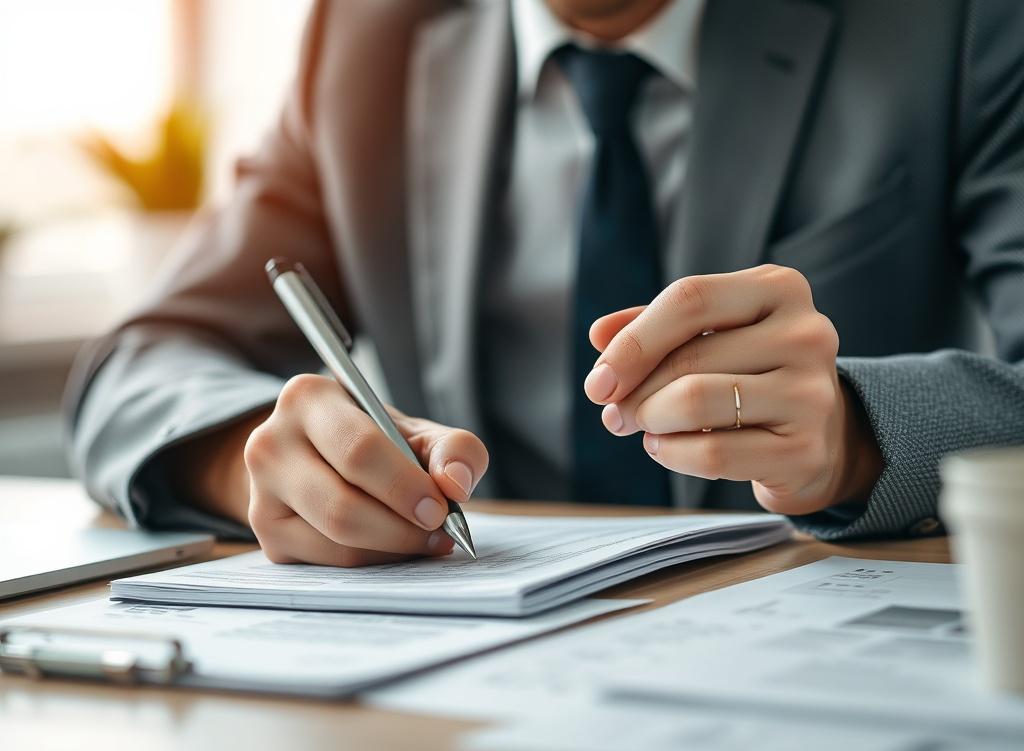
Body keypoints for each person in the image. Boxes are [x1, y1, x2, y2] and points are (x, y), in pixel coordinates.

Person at [66, 0, 1024, 566]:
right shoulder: (369, 36)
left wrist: (856, 434)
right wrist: (250, 463)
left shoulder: (954, 27)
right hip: (473, 664)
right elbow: (138, 366)